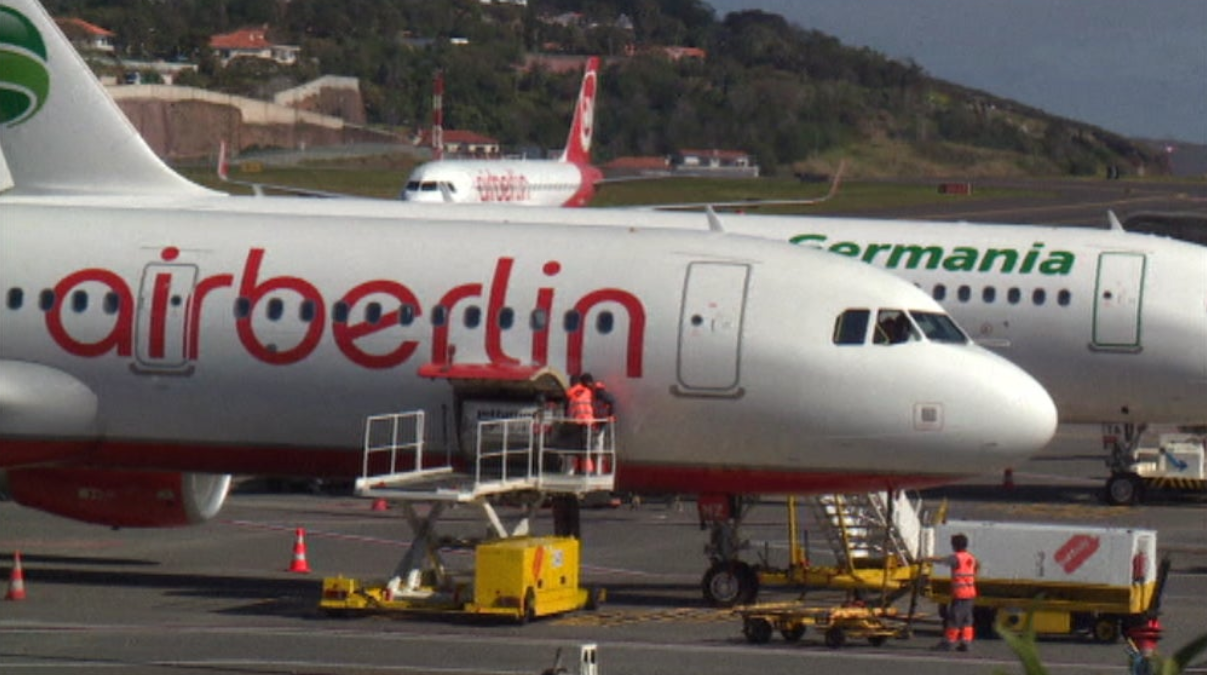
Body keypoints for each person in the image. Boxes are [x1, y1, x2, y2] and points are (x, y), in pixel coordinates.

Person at [926, 533, 978, 652]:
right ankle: (966, 643)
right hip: (970, 592)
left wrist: (928, 558)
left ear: (954, 545)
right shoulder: (971, 557)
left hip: (960, 593)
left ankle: (948, 643)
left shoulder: (957, 557)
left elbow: (943, 561)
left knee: (954, 619)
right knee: (967, 620)